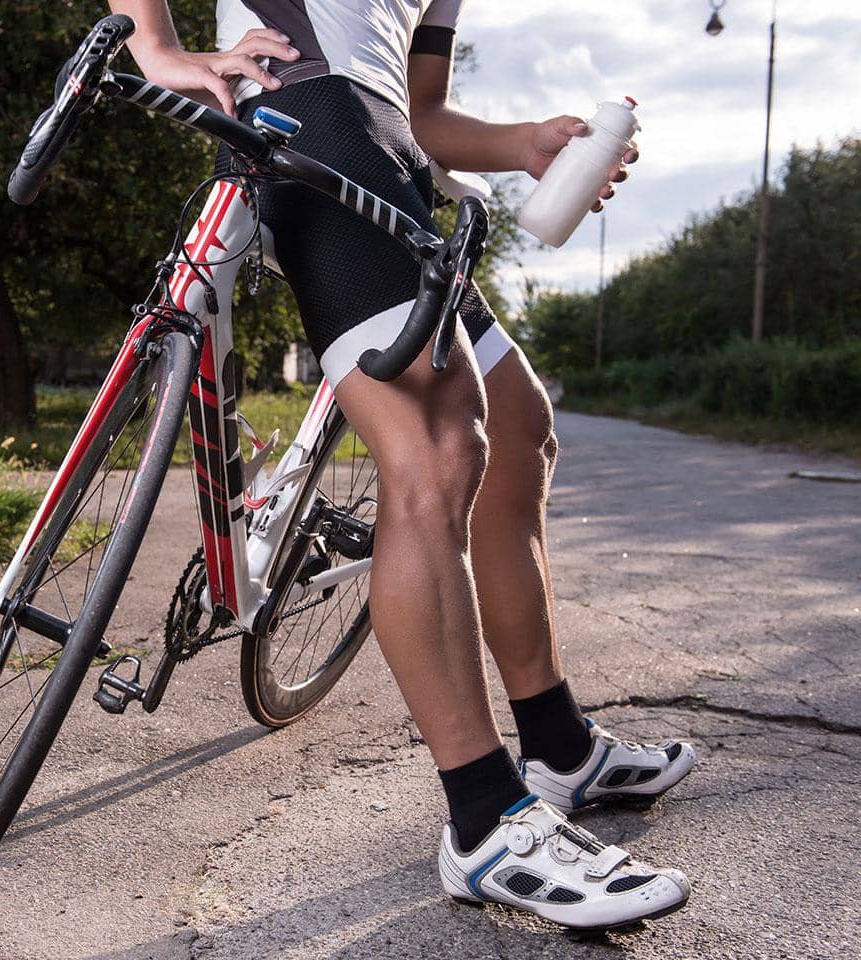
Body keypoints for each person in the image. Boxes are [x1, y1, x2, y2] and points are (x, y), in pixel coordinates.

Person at [108, 0, 697, 932]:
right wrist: (158, 46)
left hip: (390, 151)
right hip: (315, 119)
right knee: (438, 449)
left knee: (520, 427)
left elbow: (422, 111)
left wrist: (526, 145)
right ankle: (485, 819)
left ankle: (558, 747)